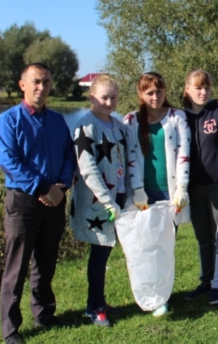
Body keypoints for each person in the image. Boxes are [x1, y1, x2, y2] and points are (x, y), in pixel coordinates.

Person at [0, 63, 76, 344]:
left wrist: (61, 186)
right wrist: (44, 187)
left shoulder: (57, 120)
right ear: (23, 85)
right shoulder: (8, 120)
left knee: (46, 261)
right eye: (36, 82)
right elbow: (8, 162)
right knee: (16, 266)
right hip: (23, 202)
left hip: (55, 199)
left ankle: (44, 314)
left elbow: (69, 156)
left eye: (47, 82)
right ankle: (11, 330)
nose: (42, 87)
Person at [123, 72, 191, 316]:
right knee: (145, 246)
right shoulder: (130, 121)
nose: (155, 97)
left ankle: (163, 295)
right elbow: (130, 154)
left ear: (165, 91)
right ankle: (149, 294)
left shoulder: (177, 117)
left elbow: (184, 154)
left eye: (159, 91)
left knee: (164, 246)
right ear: (141, 94)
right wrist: (137, 189)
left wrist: (182, 188)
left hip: (170, 193)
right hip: (143, 193)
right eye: (149, 92)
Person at [70, 75, 128, 327]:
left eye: (113, 97)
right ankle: (94, 307)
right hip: (99, 202)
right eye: (103, 97)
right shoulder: (85, 126)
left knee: (106, 253)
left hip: (120, 196)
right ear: (92, 97)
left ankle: (98, 300)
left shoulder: (118, 125)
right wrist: (107, 201)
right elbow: (88, 168)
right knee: (99, 252)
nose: (109, 102)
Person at [181, 69, 218, 305]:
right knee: (203, 236)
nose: (203, 92)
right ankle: (205, 281)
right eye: (198, 88)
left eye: (207, 87)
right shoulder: (180, 117)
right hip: (194, 186)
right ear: (187, 89)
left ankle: (217, 283)